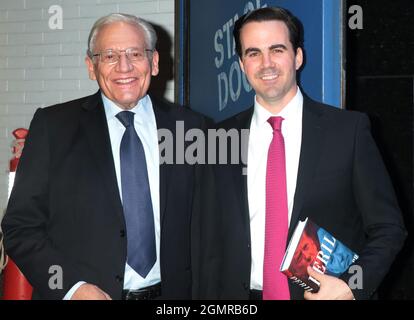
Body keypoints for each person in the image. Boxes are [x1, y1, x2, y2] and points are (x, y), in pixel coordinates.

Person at [1, 13, 210, 300]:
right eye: (109, 55)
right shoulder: (54, 127)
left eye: (135, 53)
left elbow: (210, 226)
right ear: (91, 66)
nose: (124, 67)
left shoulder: (192, 129)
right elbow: (20, 227)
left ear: (155, 62)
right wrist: (71, 288)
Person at [214, 7, 406, 300]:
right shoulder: (219, 138)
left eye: (277, 49)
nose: (266, 63)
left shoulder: (348, 131)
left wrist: (351, 286)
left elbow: (389, 228)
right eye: (253, 53)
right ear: (241, 64)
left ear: (298, 56)